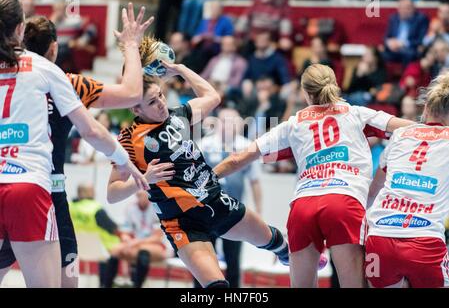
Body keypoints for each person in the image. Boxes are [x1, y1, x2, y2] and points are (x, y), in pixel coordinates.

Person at [0, 2, 164, 288]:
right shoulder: (64, 79)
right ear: (53, 49)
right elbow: (131, 93)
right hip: (40, 193)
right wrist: (130, 47)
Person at [213, 64, 414, 288]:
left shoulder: (293, 123)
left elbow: (237, 158)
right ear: (335, 86)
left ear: (305, 93)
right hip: (344, 201)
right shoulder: (357, 113)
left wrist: (203, 179)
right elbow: (412, 130)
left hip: (304, 206)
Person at [107, 59, 289, 288]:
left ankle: (288, 256)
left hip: (216, 200)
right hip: (181, 222)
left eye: (161, 95)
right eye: (152, 102)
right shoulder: (128, 142)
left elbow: (212, 96)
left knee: (275, 242)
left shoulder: (179, 115)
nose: (161, 104)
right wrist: (143, 180)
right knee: (217, 287)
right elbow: (112, 194)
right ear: (136, 108)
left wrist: (181, 70)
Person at [366, 72, 449, 288]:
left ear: (426, 108)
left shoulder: (402, 134)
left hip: (380, 238)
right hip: (425, 240)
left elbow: (374, 189)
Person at [197, 107, 263, 287]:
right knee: (203, 262)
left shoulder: (246, 147)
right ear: (218, 123)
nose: (228, 126)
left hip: (234, 215)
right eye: (225, 122)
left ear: (239, 125)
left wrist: (258, 210)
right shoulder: (205, 145)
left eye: (233, 122)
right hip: (205, 214)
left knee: (233, 260)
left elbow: (255, 181)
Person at [106, 190, 170, 288]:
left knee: (143, 252)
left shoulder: (156, 208)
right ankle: (107, 285)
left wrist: (136, 242)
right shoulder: (131, 208)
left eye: (143, 195)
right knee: (115, 250)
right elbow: (126, 230)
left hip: (155, 244)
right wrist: (126, 238)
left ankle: (137, 285)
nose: (141, 198)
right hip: (136, 243)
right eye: (139, 195)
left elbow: (157, 237)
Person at [383, 0, 429, 66]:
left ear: (413, 9)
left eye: (407, 8)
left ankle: (407, 76)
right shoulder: (393, 18)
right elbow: (386, 36)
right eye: (401, 8)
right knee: (378, 54)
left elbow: (421, 39)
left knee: (409, 54)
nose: (403, 11)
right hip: (394, 49)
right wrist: (389, 42)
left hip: (410, 48)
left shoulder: (421, 19)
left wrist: (403, 43)